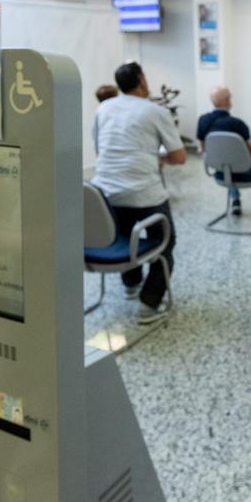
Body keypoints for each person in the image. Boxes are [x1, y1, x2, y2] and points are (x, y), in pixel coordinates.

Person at [91, 62, 186, 324]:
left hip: (105, 194)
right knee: (165, 242)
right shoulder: (155, 111)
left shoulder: (104, 108)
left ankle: (131, 284)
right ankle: (149, 304)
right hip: (145, 193)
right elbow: (179, 157)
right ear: (142, 80)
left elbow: (102, 151)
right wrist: (156, 157)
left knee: (123, 235)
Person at [196, 86, 251, 217]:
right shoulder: (237, 124)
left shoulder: (203, 120)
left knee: (228, 162)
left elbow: (204, 149)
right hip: (248, 173)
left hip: (220, 172)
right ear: (227, 100)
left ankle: (235, 201)